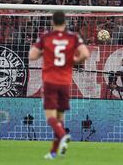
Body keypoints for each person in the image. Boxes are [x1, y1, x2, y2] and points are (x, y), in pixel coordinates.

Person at [29, 11, 90, 159]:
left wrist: (45, 53)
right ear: (65, 22)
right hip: (65, 82)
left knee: (50, 116)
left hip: (50, 80)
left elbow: (32, 55)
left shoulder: (46, 36)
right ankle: (54, 152)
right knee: (60, 118)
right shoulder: (73, 37)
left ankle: (63, 135)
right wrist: (72, 61)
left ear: (52, 22)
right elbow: (85, 54)